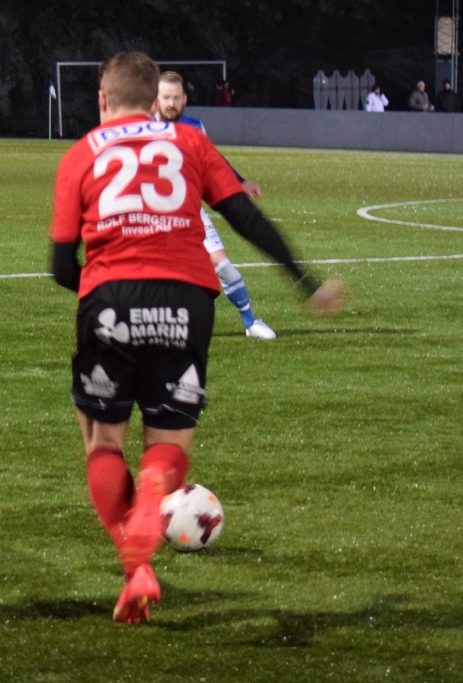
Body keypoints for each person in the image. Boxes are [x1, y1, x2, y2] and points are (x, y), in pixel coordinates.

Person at [49, 52, 344, 624]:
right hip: (186, 299)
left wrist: (101, 291)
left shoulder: (81, 154)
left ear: (103, 100)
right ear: (154, 99)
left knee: (103, 442)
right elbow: (245, 217)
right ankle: (154, 492)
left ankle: (135, 566)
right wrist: (305, 282)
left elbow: (62, 266)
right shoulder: (188, 141)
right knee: (169, 441)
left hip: (110, 301)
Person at [155, 71, 275, 339]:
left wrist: (239, 181)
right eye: (166, 97)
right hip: (153, 216)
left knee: (224, 267)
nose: (171, 103)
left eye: (176, 97)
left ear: (184, 99)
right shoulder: (141, 129)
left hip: (190, 211)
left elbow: (213, 160)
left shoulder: (195, 127)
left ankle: (251, 323)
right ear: (156, 99)